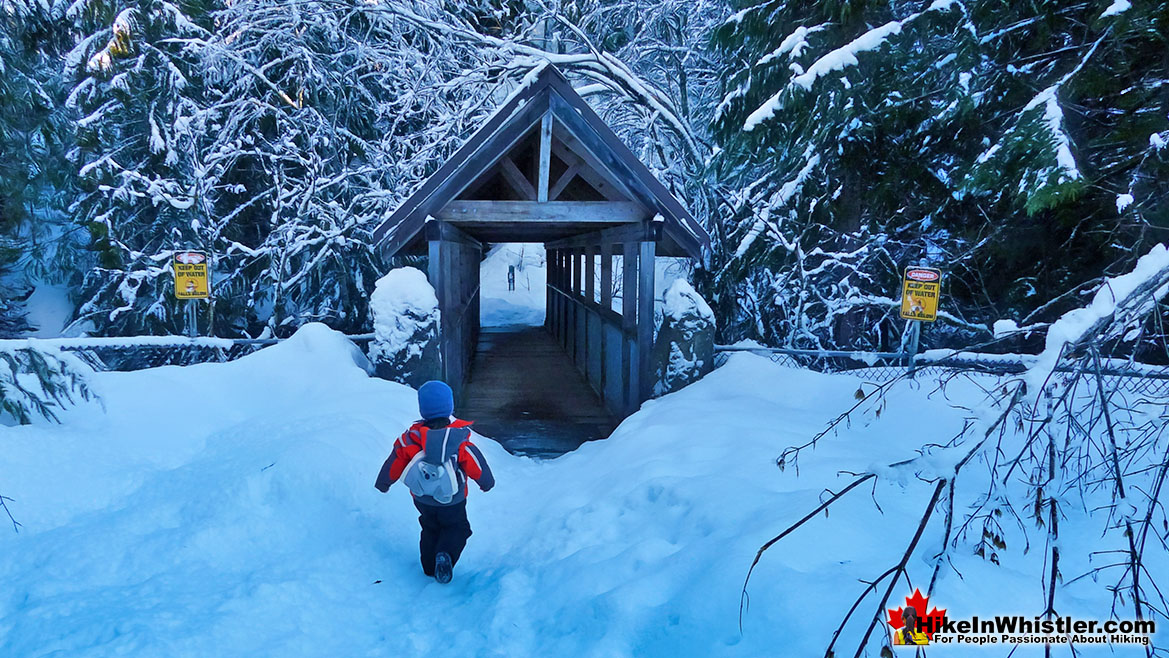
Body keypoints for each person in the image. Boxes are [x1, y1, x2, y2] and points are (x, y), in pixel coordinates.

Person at [374, 380, 495, 584]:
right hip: (453, 499)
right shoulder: (457, 440)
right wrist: (486, 482)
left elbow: (394, 462)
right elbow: (475, 463)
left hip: (422, 497)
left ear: (422, 409)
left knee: (429, 527)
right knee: (458, 527)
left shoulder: (409, 439)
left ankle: (429, 566)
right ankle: (445, 555)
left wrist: (384, 482)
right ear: (450, 406)